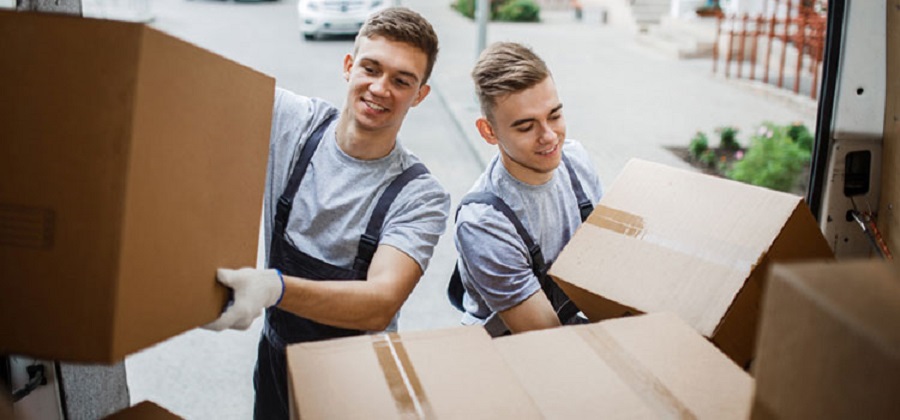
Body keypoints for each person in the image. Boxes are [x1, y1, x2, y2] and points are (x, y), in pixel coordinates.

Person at [203, 7, 450, 419]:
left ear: (420, 94)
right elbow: (200, 83)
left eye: (402, 80)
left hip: (356, 384)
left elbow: (380, 302)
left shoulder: (420, 195)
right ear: (349, 66)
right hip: (276, 365)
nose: (380, 88)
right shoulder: (296, 125)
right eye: (371, 68)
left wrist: (273, 289)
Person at [451, 42, 603, 337]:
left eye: (554, 116)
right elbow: (545, 337)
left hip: (571, 329)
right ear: (488, 132)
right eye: (526, 127)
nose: (549, 137)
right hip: (516, 348)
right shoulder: (483, 222)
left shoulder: (577, 161)